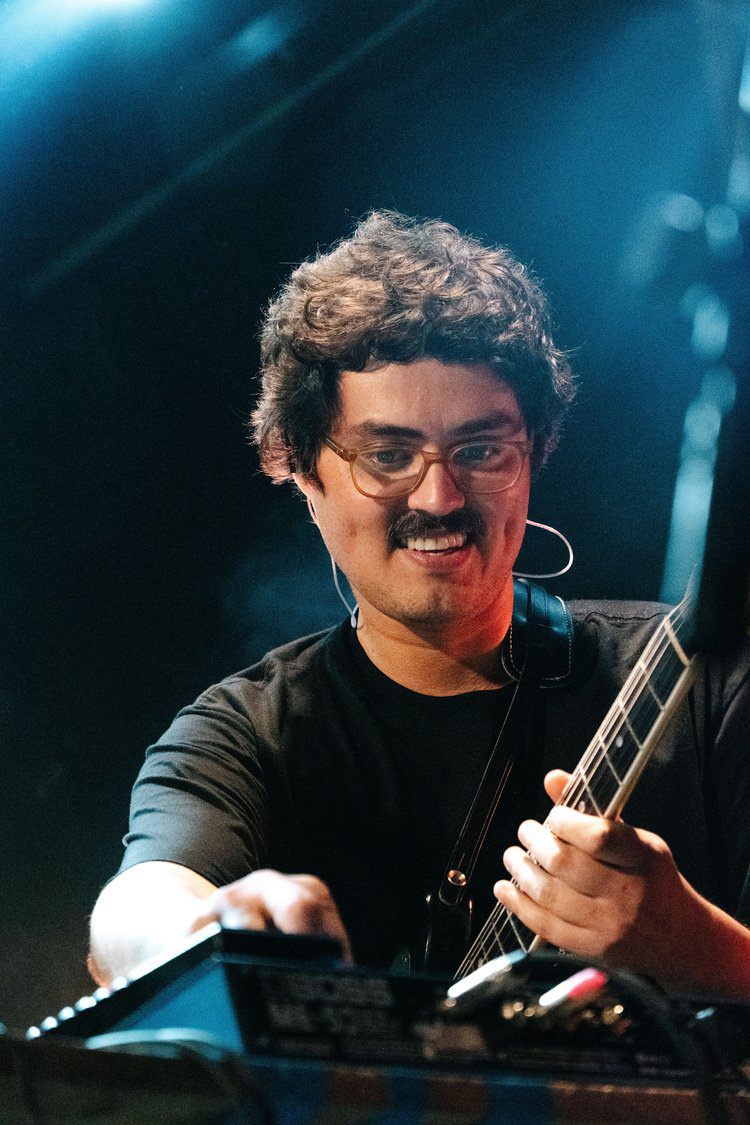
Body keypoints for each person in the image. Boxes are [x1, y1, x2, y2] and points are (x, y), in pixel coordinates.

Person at [89, 211, 750, 997]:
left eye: (481, 450)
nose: (439, 497)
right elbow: (133, 911)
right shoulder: (248, 736)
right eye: (389, 455)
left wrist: (703, 950)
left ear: (535, 453)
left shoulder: (704, 681)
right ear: (300, 470)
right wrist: (203, 927)